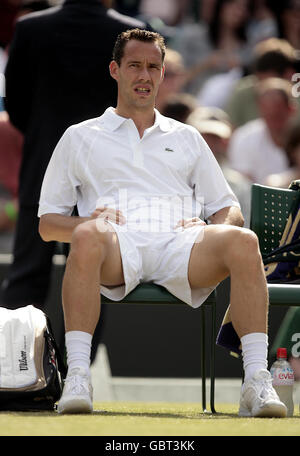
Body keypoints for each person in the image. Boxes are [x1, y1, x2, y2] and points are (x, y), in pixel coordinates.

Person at [38, 28, 287, 417]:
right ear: (114, 70)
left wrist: (208, 228)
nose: (145, 75)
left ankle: (256, 380)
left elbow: (228, 208)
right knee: (88, 233)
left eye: (154, 67)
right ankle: (78, 377)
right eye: (135, 65)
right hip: (114, 246)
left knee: (244, 240)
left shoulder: (188, 137)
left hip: (182, 247)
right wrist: (88, 223)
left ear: (162, 74)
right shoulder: (79, 136)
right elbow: (48, 224)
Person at [1, 0, 147, 358]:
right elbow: (138, 102)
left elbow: (16, 105)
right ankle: (75, 373)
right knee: (94, 275)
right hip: (105, 175)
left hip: (42, 166)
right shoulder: (128, 30)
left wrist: (42, 134)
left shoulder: (31, 28)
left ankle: (12, 370)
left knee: (26, 275)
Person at [186, 106, 251, 227]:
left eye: (215, 138)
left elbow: (244, 228)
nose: (208, 143)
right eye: (203, 136)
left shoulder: (240, 186)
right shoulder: (175, 176)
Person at [228, 77, 298, 183]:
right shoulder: (244, 137)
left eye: (278, 115)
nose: (273, 120)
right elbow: (243, 185)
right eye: (268, 114)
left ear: (291, 109)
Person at [225, 37, 299, 128]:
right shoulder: (242, 91)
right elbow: (229, 127)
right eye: (260, 81)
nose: (266, 89)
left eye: (273, 84)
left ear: (289, 74)